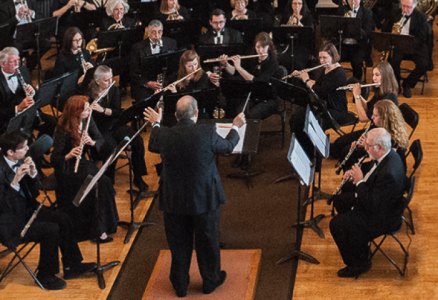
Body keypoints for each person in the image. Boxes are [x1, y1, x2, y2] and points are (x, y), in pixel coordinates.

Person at [144, 96, 246, 297]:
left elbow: (153, 144)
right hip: (204, 197)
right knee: (207, 240)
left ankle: (180, 285)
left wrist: (156, 122)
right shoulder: (206, 132)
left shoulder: (164, 135)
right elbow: (227, 147)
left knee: (178, 243)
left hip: (174, 199)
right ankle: (210, 280)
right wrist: (235, 127)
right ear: (196, 113)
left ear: (175, 115)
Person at [0, 131, 96, 290]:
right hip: (9, 224)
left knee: (63, 218)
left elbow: (34, 193)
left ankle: (71, 266)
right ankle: (45, 275)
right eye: (23, 148)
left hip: (27, 211)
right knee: (50, 230)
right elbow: (3, 206)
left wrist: (32, 174)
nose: (27, 149)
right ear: (10, 152)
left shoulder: (20, 159)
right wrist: (15, 182)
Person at [329, 128, 406, 278]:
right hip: (376, 201)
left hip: (382, 217)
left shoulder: (389, 173)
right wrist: (356, 175)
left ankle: (359, 263)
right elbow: (373, 172)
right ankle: (357, 242)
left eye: (368, 146)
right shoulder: (387, 155)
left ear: (380, 147)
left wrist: (359, 182)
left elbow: (372, 205)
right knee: (339, 201)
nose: (365, 148)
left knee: (336, 224)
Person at [51, 95, 119, 243]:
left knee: (106, 182)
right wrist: (69, 155)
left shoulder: (88, 120)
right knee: (96, 186)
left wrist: (92, 142)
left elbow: (100, 140)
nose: (89, 110)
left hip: (81, 164)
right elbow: (55, 159)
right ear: (76, 111)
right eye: (86, 109)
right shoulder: (63, 128)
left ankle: (106, 223)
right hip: (68, 169)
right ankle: (98, 231)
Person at [87, 65, 149, 191]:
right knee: (111, 149)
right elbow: (89, 120)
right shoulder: (89, 94)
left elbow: (117, 111)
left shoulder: (114, 90)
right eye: (106, 80)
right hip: (99, 128)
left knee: (137, 140)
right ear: (97, 81)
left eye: (111, 78)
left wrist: (103, 110)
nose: (110, 82)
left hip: (115, 124)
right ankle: (109, 181)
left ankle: (138, 177)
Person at [331, 61, 399, 160]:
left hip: (381, 138)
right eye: (373, 75)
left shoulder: (388, 98)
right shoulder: (381, 91)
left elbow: (363, 118)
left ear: (386, 77)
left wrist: (357, 96)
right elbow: (368, 106)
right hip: (373, 130)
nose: (374, 78)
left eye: (377, 75)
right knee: (339, 142)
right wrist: (358, 94)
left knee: (345, 150)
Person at [289, 42, 348, 135]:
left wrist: (306, 79)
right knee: (295, 119)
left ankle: (310, 147)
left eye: (325, 57)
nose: (322, 61)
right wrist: (301, 76)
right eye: (320, 58)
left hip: (336, 110)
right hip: (324, 106)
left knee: (311, 126)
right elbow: (318, 84)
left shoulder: (339, 72)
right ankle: (301, 146)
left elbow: (321, 91)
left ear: (333, 56)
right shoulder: (326, 68)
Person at [335, 100, 409, 172]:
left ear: (385, 119)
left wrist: (366, 145)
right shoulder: (379, 126)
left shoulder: (392, 138)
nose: (372, 117)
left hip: (388, 170)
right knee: (347, 151)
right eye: (373, 114)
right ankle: (350, 176)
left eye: (375, 116)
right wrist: (360, 145)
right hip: (378, 157)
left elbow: (384, 159)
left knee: (349, 159)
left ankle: (352, 179)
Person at [220, 31, 279, 120]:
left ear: (269, 47)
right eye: (258, 47)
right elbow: (234, 72)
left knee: (252, 115)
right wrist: (226, 64)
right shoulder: (252, 59)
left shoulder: (273, 63)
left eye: (263, 47)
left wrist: (239, 68)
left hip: (268, 99)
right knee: (239, 114)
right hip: (252, 96)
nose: (260, 50)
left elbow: (259, 82)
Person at [0, 47, 57, 138]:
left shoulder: (23, 71)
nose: (17, 64)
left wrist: (33, 92)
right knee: (25, 138)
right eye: (13, 62)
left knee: (52, 123)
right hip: (8, 121)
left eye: (18, 60)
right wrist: (17, 108)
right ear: (3, 64)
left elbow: (35, 97)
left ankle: (41, 146)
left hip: (28, 114)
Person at [382, 0, 430, 98]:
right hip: (398, 46)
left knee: (424, 64)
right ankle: (397, 85)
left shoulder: (421, 17)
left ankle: (407, 84)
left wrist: (408, 43)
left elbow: (422, 38)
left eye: (408, 7)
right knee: (393, 60)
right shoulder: (394, 13)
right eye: (403, 6)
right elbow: (385, 30)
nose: (405, 9)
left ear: (414, 6)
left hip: (414, 47)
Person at [130, 19, 178, 103]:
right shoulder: (137, 48)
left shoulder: (171, 43)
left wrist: (165, 83)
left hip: (165, 82)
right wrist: (147, 83)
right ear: (148, 32)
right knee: (146, 101)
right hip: (145, 84)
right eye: (153, 32)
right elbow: (134, 71)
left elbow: (174, 67)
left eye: (159, 32)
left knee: (172, 99)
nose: (157, 35)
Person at [337, 0, 374, 80]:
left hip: (358, 46)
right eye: (350, 0)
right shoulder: (341, 10)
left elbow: (367, 34)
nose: (353, 2)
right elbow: (335, 29)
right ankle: (337, 82)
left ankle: (356, 84)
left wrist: (354, 24)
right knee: (333, 59)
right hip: (343, 45)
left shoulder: (367, 13)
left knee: (357, 62)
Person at [278, 0, 314, 72]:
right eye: (294, 3)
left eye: (299, 3)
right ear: (291, 4)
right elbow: (280, 32)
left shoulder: (307, 17)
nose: (297, 6)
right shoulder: (286, 17)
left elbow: (310, 35)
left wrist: (300, 24)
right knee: (280, 59)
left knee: (297, 63)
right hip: (288, 46)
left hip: (302, 47)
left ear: (303, 5)